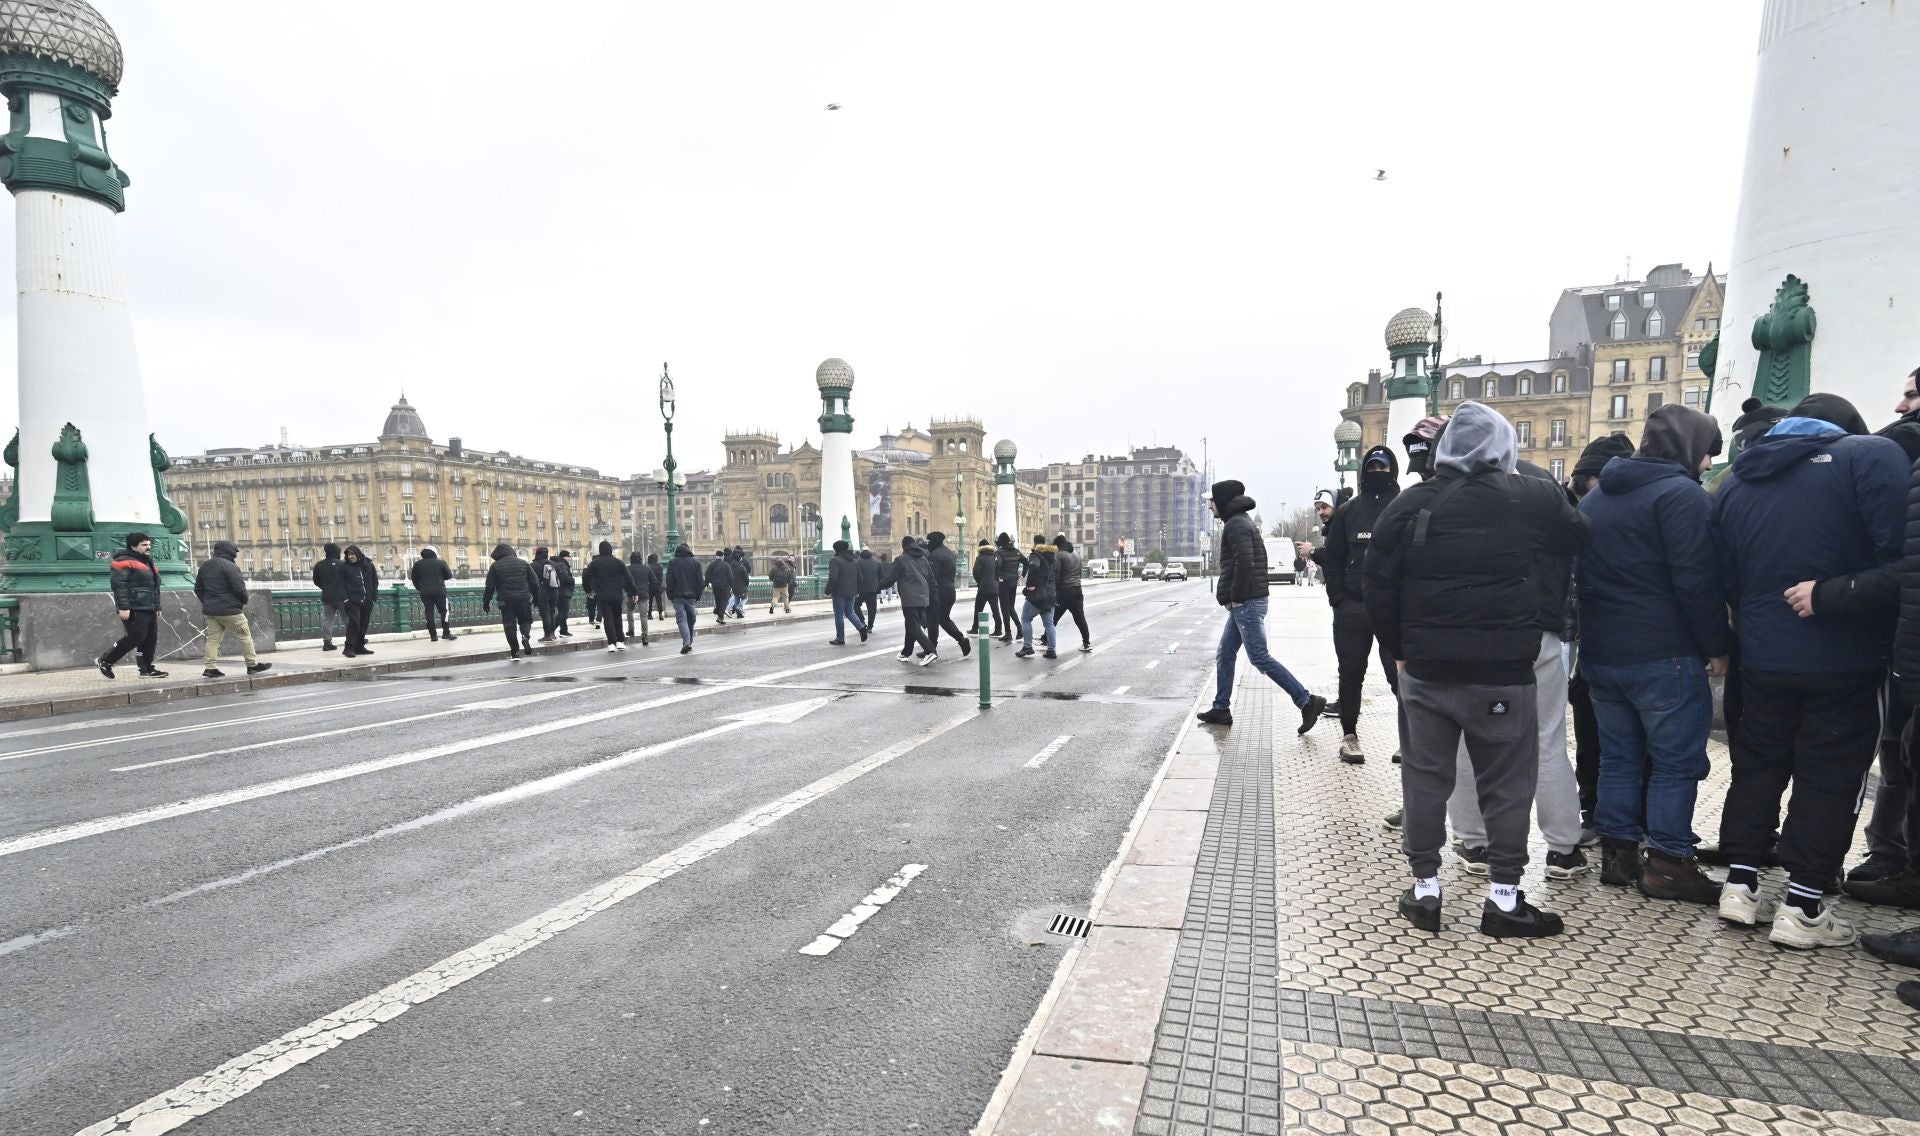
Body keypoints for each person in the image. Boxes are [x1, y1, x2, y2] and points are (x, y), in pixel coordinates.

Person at [1364, 403, 1586, 938]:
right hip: (1504, 672)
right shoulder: (1529, 496)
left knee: (1425, 778)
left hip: (1427, 670)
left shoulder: (1410, 504)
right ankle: (1505, 899)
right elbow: (1580, 537)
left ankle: (1424, 891)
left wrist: (1398, 650)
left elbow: (1377, 584)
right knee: (1507, 782)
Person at [1711, 392, 1908, 947]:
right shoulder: (1868, 458)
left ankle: (1741, 885)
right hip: (1844, 657)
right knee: (1831, 775)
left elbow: (1724, 573)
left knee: (1758, 766)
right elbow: (1904, 562)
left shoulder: (1740, 477)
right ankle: (1803, 906)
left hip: (1764, 656)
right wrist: (1834, 593)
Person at [1575, 406, 1728, 903]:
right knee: (1675, 763)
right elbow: (1697, 580)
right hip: (1664, 653)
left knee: (1618, 757)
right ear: (1689, 448)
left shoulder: (1598, 497)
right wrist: (1717, 647)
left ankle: (1618, 856)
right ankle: (1667, 863)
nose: (1707, 464)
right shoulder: (1681, 496)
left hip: (1602, 653)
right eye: (1707, 453)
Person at [1844, 374, 1920, 904]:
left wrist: (1830, 595)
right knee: (1897, 754)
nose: (1900, 404)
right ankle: (1891, 857)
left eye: (1913, 395)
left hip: (1900, 640)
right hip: (1902, 645)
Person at [1196, 481, 1328, 732]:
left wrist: (1235, 597)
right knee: (1225, 652)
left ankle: (1306, 701)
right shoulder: (1239, 522)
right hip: (1246, 602)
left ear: (1222, 500)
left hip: (1246, 603)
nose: (1209, 505)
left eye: (1211, 500)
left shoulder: (1236, 525)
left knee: (1259, 657)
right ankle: (1221, 707)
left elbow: (1245, 564)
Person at [1566, 432, 1637, 843]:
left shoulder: (1599, 507)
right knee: (1596, 730)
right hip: (1590, 638)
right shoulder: (1577, 509)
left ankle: (1607, 814)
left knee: (1614, 738)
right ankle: (1597, 810)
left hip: (1604, 638)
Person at [1320, 445, 1402, 764]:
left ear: (1392, 470)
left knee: (1400, 675)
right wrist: (1338, 598)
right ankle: (1349, 734)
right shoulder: (1349, 511)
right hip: (1353, 607)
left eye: (1384, 467)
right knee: (1351, 673)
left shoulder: (1404, 505)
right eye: (1373, 467)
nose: (1378, 472)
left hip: (1392, 609)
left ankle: (1408, 738)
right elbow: (1334, 557)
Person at [194, 539, 271, 679]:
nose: (236, 554)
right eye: (234, 552)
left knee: (212, 640)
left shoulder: (205, 565)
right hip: (230, 610)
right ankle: (252, 665)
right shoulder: (230, 566)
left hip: (211, 611)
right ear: (228, 551)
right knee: (245, 636)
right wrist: (243, 601)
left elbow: (198, 588)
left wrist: (207, 602)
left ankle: (210, 668)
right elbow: (239, 588)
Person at [96, 532, 168, 679]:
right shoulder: (122, 561)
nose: (148, 547)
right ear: (133, 546)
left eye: (149, 544)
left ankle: (146, 669)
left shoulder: (147, 561)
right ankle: (105, 660)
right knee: (136, 637)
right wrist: (123, 607)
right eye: (144, 545)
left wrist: (157, 606)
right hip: (134, 607)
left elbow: (154, 586)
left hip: (149, 606)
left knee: (150, 638)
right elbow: (119, 586)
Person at [482, 542, 540, 660]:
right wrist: (536, 597)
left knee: (509, 626)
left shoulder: (495, 566)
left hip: (506, 600)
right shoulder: (523, 563)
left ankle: (515, 652)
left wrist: (486, 601)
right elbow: (534, 582)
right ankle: (525, 637)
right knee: (525, 621)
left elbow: (489, 587)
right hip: (523, 598)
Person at [886, 536, 939, 665]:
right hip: (923, 596)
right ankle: (906, 652)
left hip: (910, 597)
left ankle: (930, 650)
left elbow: (890, 579)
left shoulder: (901, 560)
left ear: (904, 547)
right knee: (910, 625)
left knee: (913, 626)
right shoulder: (923, 559)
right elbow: (931, 580)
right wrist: (933, 597)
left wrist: (876, 588)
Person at [583, 541, 637, 652]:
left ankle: (611, 643)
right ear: (611, 550)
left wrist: (589, 590)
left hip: (603, 595)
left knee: (608, 618)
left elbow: (585, 577)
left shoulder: (595, 563)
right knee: (617, 617)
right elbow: (629, 578)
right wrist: (634, 593)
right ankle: (620, 642)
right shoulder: (619, 562)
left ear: (600, 550)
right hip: (617, 594)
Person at [924, 533, 972, 657]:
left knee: (933, 620)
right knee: (943, 619)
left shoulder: (936, 555)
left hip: (939, 592)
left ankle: (931, 649)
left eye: (929, 542)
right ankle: (961, 640)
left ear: (933, 542)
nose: (927, 544)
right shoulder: (949, 553)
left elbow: (932, 576)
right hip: (950, 590)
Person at [1015, 534, 1058, 660]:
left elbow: (1033, 566)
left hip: (1037, 596)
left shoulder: (1036, 555)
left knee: (1025, 619)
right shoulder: (1052, 557)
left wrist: (1030, 585)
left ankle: (1027, 647)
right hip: (1050, 595)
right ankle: (1051, 650)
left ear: (1035, 543)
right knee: (1049, 624)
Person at [1052, 535, 1092, 652]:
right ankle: (1086, 643)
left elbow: (1057, 575)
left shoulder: (1059, 555)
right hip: (1077, 590)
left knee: (1053, 617)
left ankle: (1045, 639)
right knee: (1080, 618)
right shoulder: (1076, 554)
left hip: (1064, 591)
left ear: (1058, 545)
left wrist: (1055, 591)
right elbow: (1079, 572)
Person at [826, 539, 869, 646]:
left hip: (839, 592)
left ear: (836, 549)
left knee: (839, 615)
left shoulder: (835, 561)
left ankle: (840, 638)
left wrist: (827, 591)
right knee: (850, 612)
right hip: (852, 592)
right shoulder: (854, 561)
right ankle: (861, 627)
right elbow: (860, 578)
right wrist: (858, 590)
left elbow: (833, 578)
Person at [409, 546, 454, 642]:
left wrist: (420, 588)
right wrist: (440, 578)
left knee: (429, 612)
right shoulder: (441, 563)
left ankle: (433, 636)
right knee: (445, 612)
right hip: (440, 591)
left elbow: (414, 578)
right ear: (434, 553)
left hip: (425, 592)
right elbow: (449, 575)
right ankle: (446, 633)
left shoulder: (417, 564)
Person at [666, 544, 704, 654]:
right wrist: (698, 595)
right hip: (691, 597)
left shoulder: (673, 562)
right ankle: (688, 641)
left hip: (677, 596)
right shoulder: (696, 563)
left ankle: (687, 641)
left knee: (682, 619)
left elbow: (669, 581)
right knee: (691, 619)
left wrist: (670, 595)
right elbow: (700, 582)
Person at [312, 542, 348, 652]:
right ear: (337, 551)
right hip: (342, 596)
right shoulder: (342, 564)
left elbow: (316, 581)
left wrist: (325, 587)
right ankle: (352, 641)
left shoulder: (319, 565)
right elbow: (349, 580)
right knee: (347, 619)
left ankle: (327, 642)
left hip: (327, 596)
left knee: (327, 620)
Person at [340, 544, 375, 658]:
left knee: (364, 623)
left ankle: (359, 646)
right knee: (354, 623)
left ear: (358, 554)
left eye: (352, 554)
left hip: (367, 599)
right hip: (352, 600)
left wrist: (373, 597)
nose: (350, 556)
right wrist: (345, 599)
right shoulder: (344, 567)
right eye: (348, 554)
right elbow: (340, 585)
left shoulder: (368, 564)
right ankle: (349, 648)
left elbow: (375, 582)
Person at [994, 534, 1025, 644]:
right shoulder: (1016, 551)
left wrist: (997, 577)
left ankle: (1008, 633)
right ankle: (1020, 629)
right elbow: (1026, 561)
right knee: (1011, 607)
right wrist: (1022, 575)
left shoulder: (999, 552)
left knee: (1004, 608)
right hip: (1013, 582)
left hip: (1004, 583)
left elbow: (997, 565)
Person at [972, 540, 1004, 637]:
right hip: (994, 587)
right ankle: (998, 630)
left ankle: (974, 628)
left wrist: (980, 582)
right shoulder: (996, 557)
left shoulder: (980, 558)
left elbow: (976, 573)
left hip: (983, 587)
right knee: (995, 609)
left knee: (978, 608)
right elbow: (999, 570)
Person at [857, 548, 882, 630]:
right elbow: (881, 577)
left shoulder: (858, 562)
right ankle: (870, 626)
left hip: (860, 589)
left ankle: (862, 622)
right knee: (872, 609)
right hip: (873, 589)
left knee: (855, 605)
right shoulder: (877, 562)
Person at [553, 550, 578, 636]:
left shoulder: (558, 564)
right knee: (563, 613)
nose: (570, 558)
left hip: (559, 592)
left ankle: (563, 630)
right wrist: (572, 580)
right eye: (568, 556)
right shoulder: (562, 564)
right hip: (563, 592)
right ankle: (550, 631)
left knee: (561, 612)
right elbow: (565, 578)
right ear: (564, 557)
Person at [705, 549, 733, 623]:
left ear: (716, 556)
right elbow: (730, 576)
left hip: (715, 586)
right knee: (724, 601)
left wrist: (707, 583)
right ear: (722, 557)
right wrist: (732, 586)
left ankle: (718, 611)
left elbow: (707, 574)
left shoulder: (712, 564)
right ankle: (720, 616)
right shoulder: (726, 565)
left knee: (718, 600)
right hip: (724, 586)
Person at [729, 549, 751, 619]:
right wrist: (746, 584)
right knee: (745, 598)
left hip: (734, 586)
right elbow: (746, 578)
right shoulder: (741, 567)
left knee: (737, 599)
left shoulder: (730, 566)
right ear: (739, 559)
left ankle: (739, 614)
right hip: (741, 586)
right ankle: (739, 607)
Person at [646, 552, 666, 619]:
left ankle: (649, 615)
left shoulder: (648, 566)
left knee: (650, 601)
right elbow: (661, 577)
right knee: (659, 600)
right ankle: (660, 614)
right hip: (658, 587)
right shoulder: (660, 566)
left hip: (650, 586)